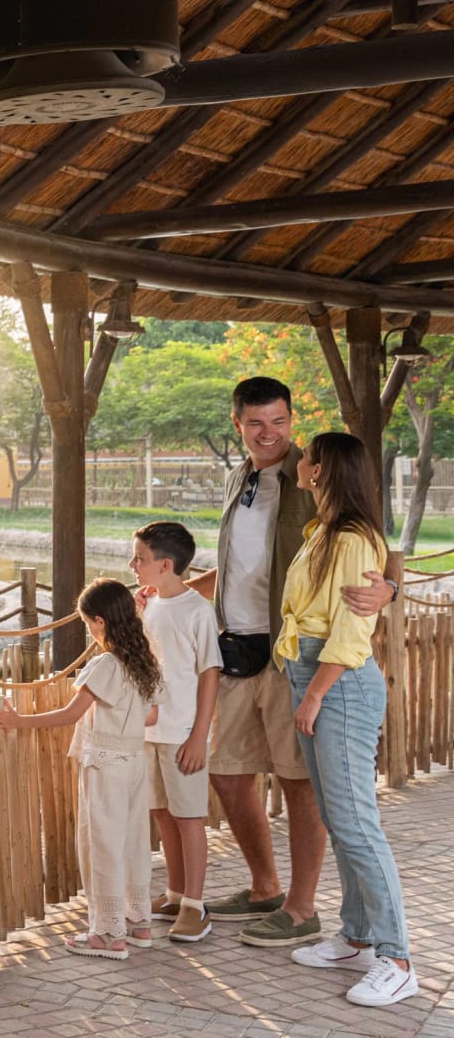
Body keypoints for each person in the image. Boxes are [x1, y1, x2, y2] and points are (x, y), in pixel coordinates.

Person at [184, 378, 398, 948]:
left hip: (292, 655)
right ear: (238, 425)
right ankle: (264, 888)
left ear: (291, 418)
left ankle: (303, 909)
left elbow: (371, 546)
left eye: (278, 422)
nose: (269, 433)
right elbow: (238, 564)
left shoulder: (313, 473)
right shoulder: (239, 478)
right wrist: (177, 591)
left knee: (299, 781)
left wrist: (390, 591)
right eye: (256, 423)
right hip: (237, 647)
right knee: (227, 774)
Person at [279, 432, 415, 1006]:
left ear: (322, 469)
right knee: (340, 818)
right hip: (311, 674)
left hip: (336, 682)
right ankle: (357, 938)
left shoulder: (355, 539)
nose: (300, 462)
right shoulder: (324, 533)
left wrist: (313, 695)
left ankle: (397, 958)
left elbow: (351, 631)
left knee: (357, 822)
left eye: (307, 457)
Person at [0, 578, 161, 960]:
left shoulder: (106, 664)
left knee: (101, 844)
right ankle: (138, 922)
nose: (88, 629)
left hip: (105, 765)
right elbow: (150, 715)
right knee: (133, 842)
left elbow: (72, 714)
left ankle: (107, 933)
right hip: (135, 761)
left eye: (87, 623)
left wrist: (19, 721)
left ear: (100, 622)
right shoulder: (144, 661)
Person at [129, 521, 221, 943]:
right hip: (151, 730)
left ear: (165, 565)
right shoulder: (150, 605)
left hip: (183, 732)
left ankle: (195, 907)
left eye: (140, 559)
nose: (133, 565)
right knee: (163, 813)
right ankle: (175, 893)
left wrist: (199, 735)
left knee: (189, 818)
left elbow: (209, 674)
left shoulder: (197, 610)